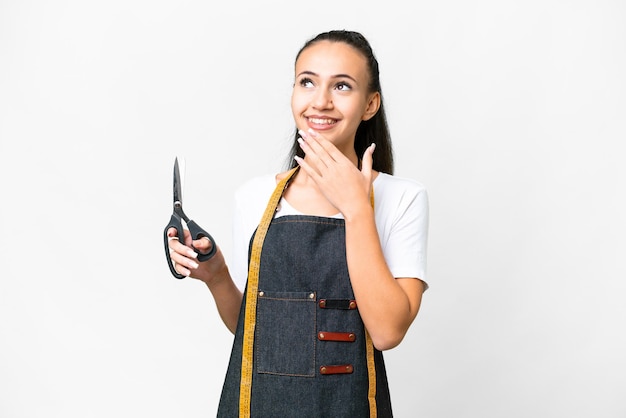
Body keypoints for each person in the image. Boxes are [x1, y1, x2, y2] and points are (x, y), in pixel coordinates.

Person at [167, 29, 429, 417]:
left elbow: (388, 331)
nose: (320, 102)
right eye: (307, 82)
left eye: (342, 86)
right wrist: (218, 275)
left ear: (370, 104)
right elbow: (257, 332)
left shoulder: (403, 198)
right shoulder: (253, 196)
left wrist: (356, 209)